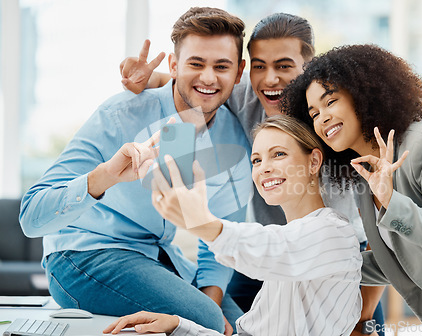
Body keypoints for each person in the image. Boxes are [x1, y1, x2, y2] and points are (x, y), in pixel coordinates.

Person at [121, 14, 386, 335]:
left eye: (284, 66)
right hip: (262, 249)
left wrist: (362, 311)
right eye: (259, 66)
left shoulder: (337, 120)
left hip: (338, 259)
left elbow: (383, 224)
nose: (270, 79)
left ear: (309, 67)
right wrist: (143, 79)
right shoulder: (247, 96)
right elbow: (196, 84)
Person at [19, 7, 254, 334]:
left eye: (222, 66)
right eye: (196, 63)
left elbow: (220, 233)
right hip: (82, 256)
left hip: (156, 258)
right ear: (174, 65)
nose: (208, 77)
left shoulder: (233, 138)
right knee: (209, 321)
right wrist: (107, 176)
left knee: (246, 326)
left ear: (239, 71)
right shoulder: (120, 115)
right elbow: (31, 218)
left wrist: (210, 305)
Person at [282, 43, 422, 336]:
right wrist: (320, 263)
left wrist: (391, 201)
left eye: (330, 102)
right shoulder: (364, 177)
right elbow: (397, 263)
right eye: (313, 113)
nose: (322, 118)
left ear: (362, 94)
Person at [104, 114, 363, 336]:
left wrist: (204, 223)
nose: (264, 169)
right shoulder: (288, 253)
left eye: (278, 154)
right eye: (257, 160)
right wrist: (178, 326)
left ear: (314, 161)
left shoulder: (334, 233)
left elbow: (271, 248)